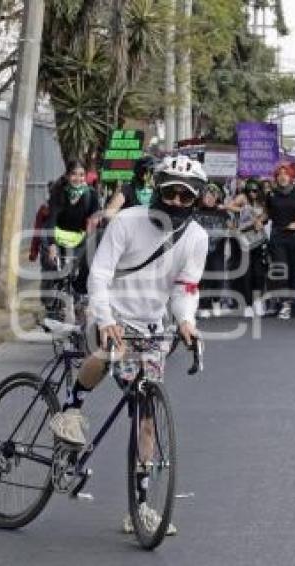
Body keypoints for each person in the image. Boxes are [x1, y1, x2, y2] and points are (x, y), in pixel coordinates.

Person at [48, 155, 209, 536]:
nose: (176, 201)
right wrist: (105, 319)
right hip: (108, 313)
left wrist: (186, 321)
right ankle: (72, 409)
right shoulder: (127, 221)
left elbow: (185, 288)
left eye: (186, 197)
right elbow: (100, 274)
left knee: (147, 415)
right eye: (170, 192)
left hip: (152, 329)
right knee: (107, 351)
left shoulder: (197, 238)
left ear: (197, 199)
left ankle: (139, 509)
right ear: (158, 189)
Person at [42, 161, 101, 316]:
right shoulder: (58, 192)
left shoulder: (91, 194)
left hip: (79, 238)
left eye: (81, 175)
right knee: (53, 267)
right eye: (74, 174)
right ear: (68, 176)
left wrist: (93, 227)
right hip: (57, 235)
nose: (78, 178)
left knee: (83, 269)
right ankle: (50, 303)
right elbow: (51, 220)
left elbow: (95, 217)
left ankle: (79, 298)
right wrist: (52, 245)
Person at [266, 164, 295, 320]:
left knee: (294, 271)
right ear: (276, 178)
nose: (282, 176)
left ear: (291, 177)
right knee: (281, 268)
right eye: (279, 174)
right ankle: (284, 304)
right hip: (278, 236)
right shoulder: (271, 195)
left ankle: (290, 301)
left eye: (285, 174)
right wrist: (258, 220)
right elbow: (267, 213)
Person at [226, 178, 268, 317]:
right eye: (250, 190)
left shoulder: (263, 200)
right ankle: (247, 304)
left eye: (255, 190)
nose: (252, 193)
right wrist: (244, 209)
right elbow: (229, 206)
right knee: (246, 272)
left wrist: (259, 219)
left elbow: (267, 213)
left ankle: (257, 301)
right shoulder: (243, 198)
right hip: (244, 237)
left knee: (259, 272)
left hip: (258, 237)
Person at [193, 183, 231, 318]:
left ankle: (216, 301)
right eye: (207, 195)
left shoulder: (222, 213)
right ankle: (203, 306)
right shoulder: (195, 211)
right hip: (199, 251)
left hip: (218, 250)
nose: (210, 198)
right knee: (202, 279)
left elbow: (231, 227)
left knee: (218, 278)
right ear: (202, 197)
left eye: (213, 196)